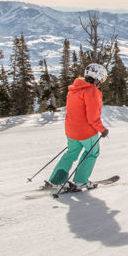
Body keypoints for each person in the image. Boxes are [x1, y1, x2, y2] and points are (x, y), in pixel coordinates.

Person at [45, 63, 110, 192]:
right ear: (97, 77)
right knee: (91, 153)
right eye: (102, 79)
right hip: (86, 132)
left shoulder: (74, 89)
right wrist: (102, 129)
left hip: (71, 130)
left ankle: (56, 181)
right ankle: (81, 181)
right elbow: (93, 117)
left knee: (71, 153)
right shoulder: (92, 92)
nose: (101, 83)